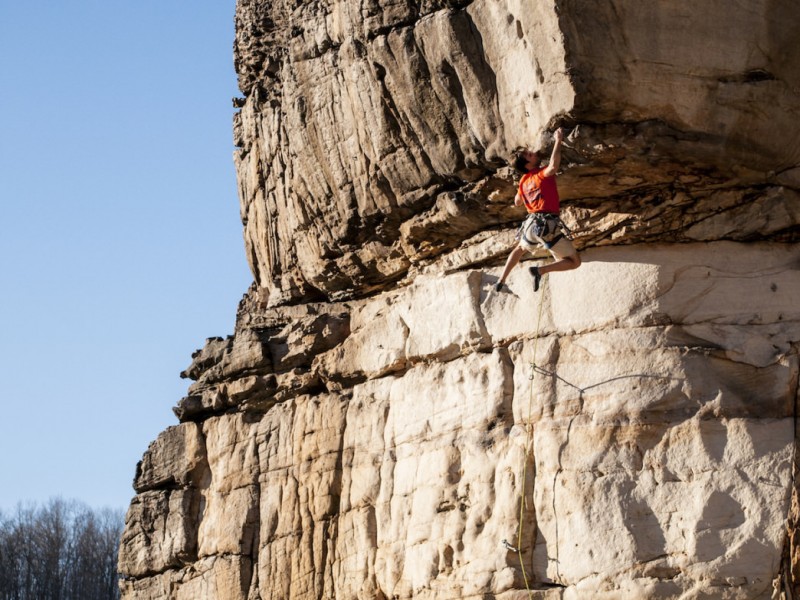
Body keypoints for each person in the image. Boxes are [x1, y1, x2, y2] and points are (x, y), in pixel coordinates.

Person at [494, 127, 581, 293]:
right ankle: (539, 271)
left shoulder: (523, 181)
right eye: (529, 155)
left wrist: (528, 192)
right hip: (546, 225)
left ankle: (501, 279)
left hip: (530, 225)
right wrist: (558, 141)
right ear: (528, 164)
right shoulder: (540, 174)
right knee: (575, 262)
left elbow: (517, 201)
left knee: (519, 249)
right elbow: (553, 166)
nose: (532, 153)